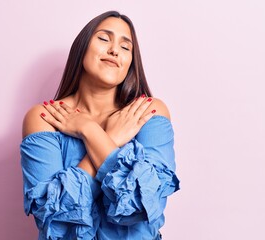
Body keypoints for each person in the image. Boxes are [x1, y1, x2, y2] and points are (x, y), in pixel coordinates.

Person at [20, 11, 180, 240]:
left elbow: (143, 203)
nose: (114, 50)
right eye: (104, 39)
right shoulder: (46, 117)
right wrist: (110, 138)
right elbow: (54, 221)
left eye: (126, 48)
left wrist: (90, 131)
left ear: (130, 64)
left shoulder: (147, 113)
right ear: (82, 48)